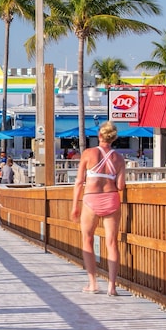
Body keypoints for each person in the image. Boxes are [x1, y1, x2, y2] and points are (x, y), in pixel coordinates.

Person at [71, 121, 126, 296]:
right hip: (111, 198)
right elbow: (121, 185)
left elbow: (79, 182)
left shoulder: (88, 153)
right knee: (111, 242)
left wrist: (74, 206)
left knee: (87, 239)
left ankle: (93, 283)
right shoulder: (119, 158)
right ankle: (112, 286)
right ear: (113, 137)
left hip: (91, 199)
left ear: (99, 135)